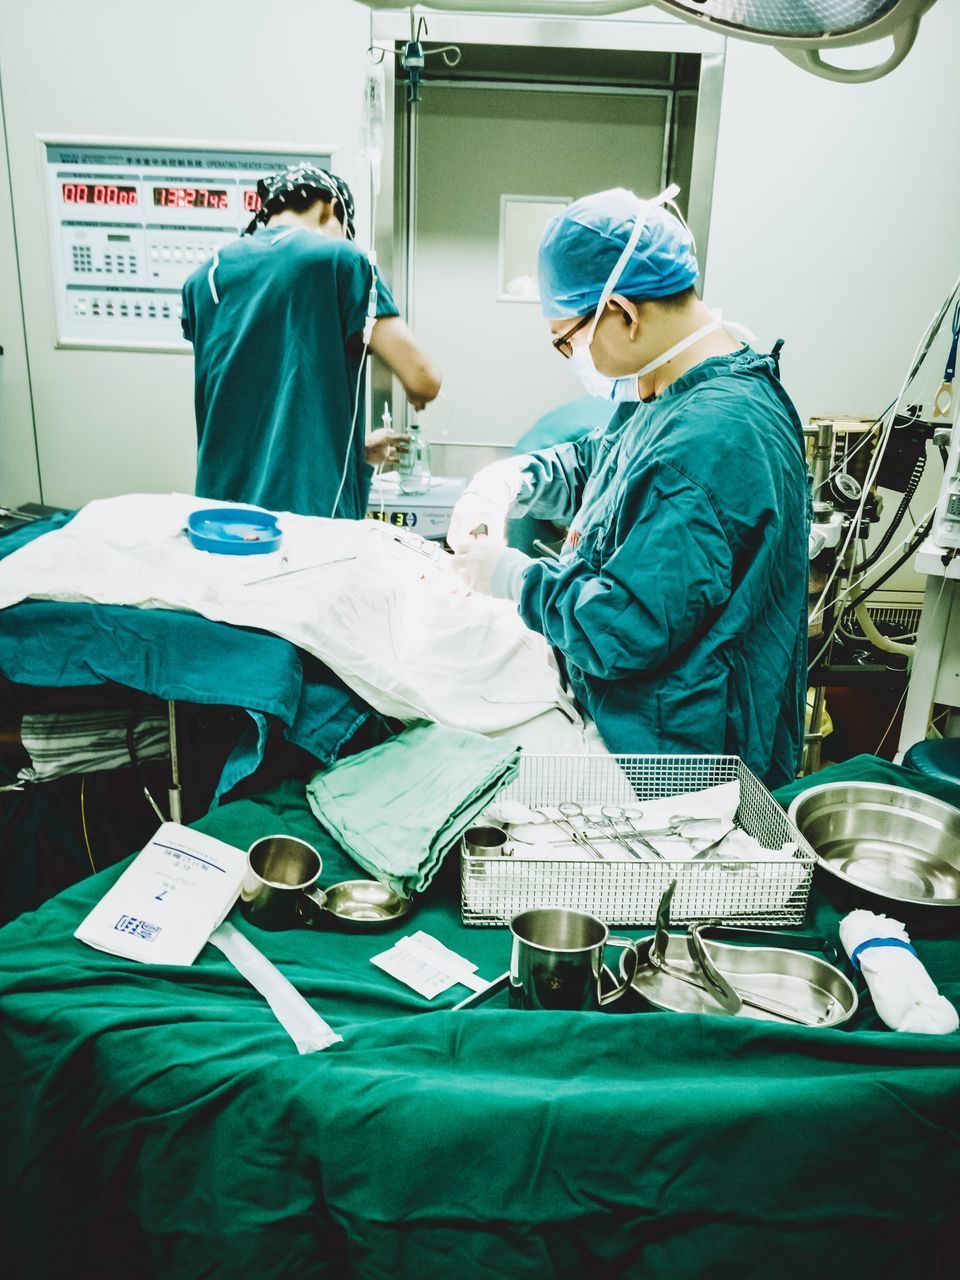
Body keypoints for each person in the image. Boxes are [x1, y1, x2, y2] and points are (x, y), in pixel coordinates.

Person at [448, 186, 810, 788]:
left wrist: (512, 578)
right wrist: (510, 482)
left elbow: (623, 626)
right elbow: (606, 464)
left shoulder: (714, 436)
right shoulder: (672, 389)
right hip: (641, 724)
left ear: (622, 311)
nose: (570, 355)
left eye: (568, 339)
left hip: (673, 764)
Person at [182, 163, 441, 517]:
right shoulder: (339, 260)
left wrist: (355, 450)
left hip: (219, 518)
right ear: (333, 208)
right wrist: (416, 391)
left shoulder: (204, 277)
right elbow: (424, 379)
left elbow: (258, 406)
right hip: (307, 524)